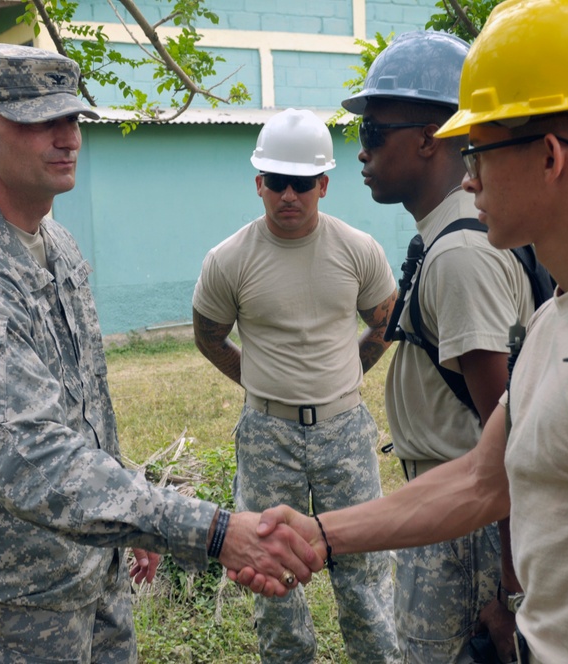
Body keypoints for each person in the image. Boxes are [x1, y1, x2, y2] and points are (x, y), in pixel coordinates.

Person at [246, 0, 568, 661]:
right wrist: (321, 534)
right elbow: (481, 482)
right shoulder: (566, 315)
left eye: (481, 151)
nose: (468, 176)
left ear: (550, 157)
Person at [0, 43, 321, 664]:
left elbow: (84, 399)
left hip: (94, 562)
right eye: (41, 121)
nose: (67, 138)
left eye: (72, 119)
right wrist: (212, 531)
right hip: (17, 598)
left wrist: (131, 518)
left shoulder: (58, 245)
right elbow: (26, 457)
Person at [341, 31, 536, 663]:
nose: (362, 154)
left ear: (428, 139)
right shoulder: (453, 236)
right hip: (455, 506)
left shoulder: (458, 254)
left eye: (373, 135)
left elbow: (507, 447)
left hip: (466, 528)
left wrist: (509, 592)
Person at [191, 107, 400, 663]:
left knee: (364, 571)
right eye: (277, 182)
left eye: (302, 182)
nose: (289, 194)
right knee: (272, 573)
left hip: (344, 432)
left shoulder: (357, 250)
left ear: (323, 184)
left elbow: (385, 324)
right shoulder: (229, 259)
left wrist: (339, 383)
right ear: (259, 183)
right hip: (268, 436)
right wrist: (264, 386)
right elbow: (209, 337)